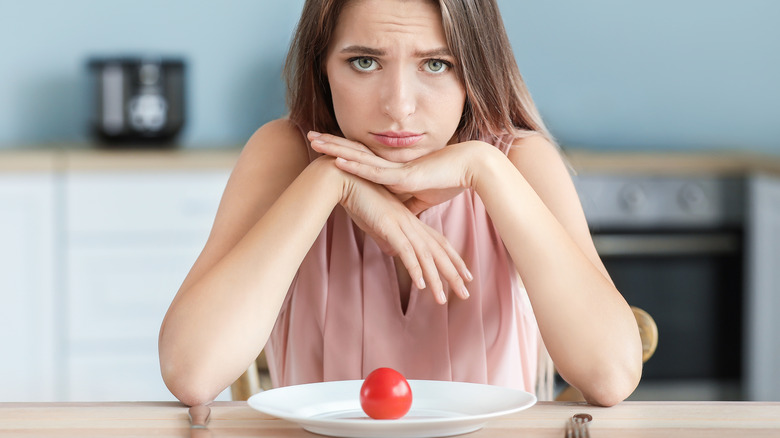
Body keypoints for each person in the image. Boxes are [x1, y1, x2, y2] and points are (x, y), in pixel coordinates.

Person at [158, 0, 642, 407]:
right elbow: (192, 372)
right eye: (364, 62)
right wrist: (330, 180)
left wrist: (484, 169)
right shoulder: (286, 154)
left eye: (436, 64)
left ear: (475, 70)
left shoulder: (519, 163)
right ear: (321, 67)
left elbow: (611, 376)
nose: (399, 106)